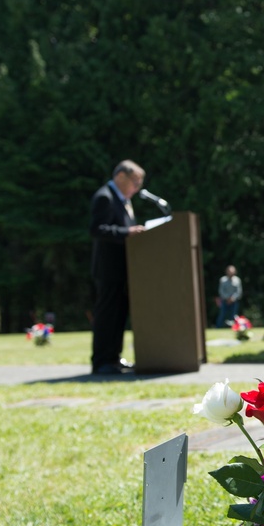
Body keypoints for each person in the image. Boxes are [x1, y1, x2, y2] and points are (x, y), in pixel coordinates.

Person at [90, 160, 146, 374]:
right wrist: (128, 232)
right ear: (121, 176)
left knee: (119, 315)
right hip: (108, 269)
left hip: (123, 270)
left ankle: (114, 358)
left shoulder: (121, 200)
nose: (137, 188)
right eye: (135, 182)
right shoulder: (105, 197)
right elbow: (97, 229)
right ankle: (101, 361)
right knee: (106, 316)